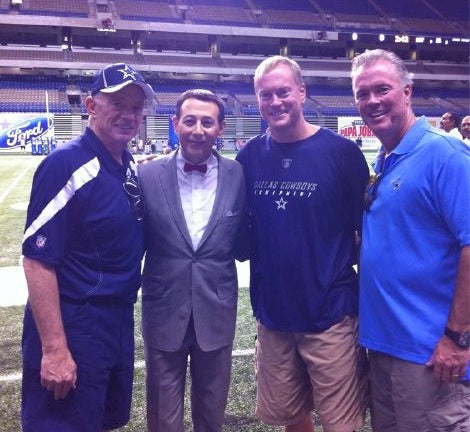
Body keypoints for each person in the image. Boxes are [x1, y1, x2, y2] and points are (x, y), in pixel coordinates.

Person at [236, 55, 370, 432]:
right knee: (291, 415)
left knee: (341, 423)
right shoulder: (249, 157)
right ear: (257, 100)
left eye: (283, 92)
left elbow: (360, 232)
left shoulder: (342, 154)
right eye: (266, 95)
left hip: (330, 313)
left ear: (302, 92)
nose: (275, 102)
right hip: (274, 314)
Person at [21, 62, 155, 432]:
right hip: (77, 321)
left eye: (136, 107)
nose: (129, 115)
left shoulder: (125, 162)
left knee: (102, 418)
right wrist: (55, 349)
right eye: (118, 104)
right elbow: (37, 261)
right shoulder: (66, 163)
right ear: (91, 106)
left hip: (116, 319)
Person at [351, 49, 470, 431]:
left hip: (430, 351)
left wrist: (457, 337)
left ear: (407, 92)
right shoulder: (388, 159)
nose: (372, 101)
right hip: (385, 345)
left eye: (382, 89)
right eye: (362, 93)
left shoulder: (444, 154)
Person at [138, 89, 247, 432]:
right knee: (163, 419)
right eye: (189, 121)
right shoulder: (147, 175)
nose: (197, 129)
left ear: (221, 128)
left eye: (207, 122)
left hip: (216, 310)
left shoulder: (238, 175)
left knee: (211, 416)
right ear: (175, 124)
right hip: (163, 310)